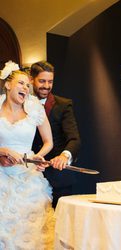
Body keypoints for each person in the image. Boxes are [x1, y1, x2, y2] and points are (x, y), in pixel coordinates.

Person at [0, 61, 55, 249]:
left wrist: (37, 156)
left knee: (29, 231)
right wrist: (3, 151)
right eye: (21, 83)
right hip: (1, 175)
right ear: (8, 85)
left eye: (27, 85)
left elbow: (49, 142)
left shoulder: (34, 109)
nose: (26, 87)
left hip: (27, 175)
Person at [30, 61, 81, 208]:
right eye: (42, 81)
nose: (46, 85)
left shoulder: (64, 104)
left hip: (58, 177)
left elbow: (74, 139)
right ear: (31, 79)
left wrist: (64, 156)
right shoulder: (20, 104)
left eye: (50, 81)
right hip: (28, 176)